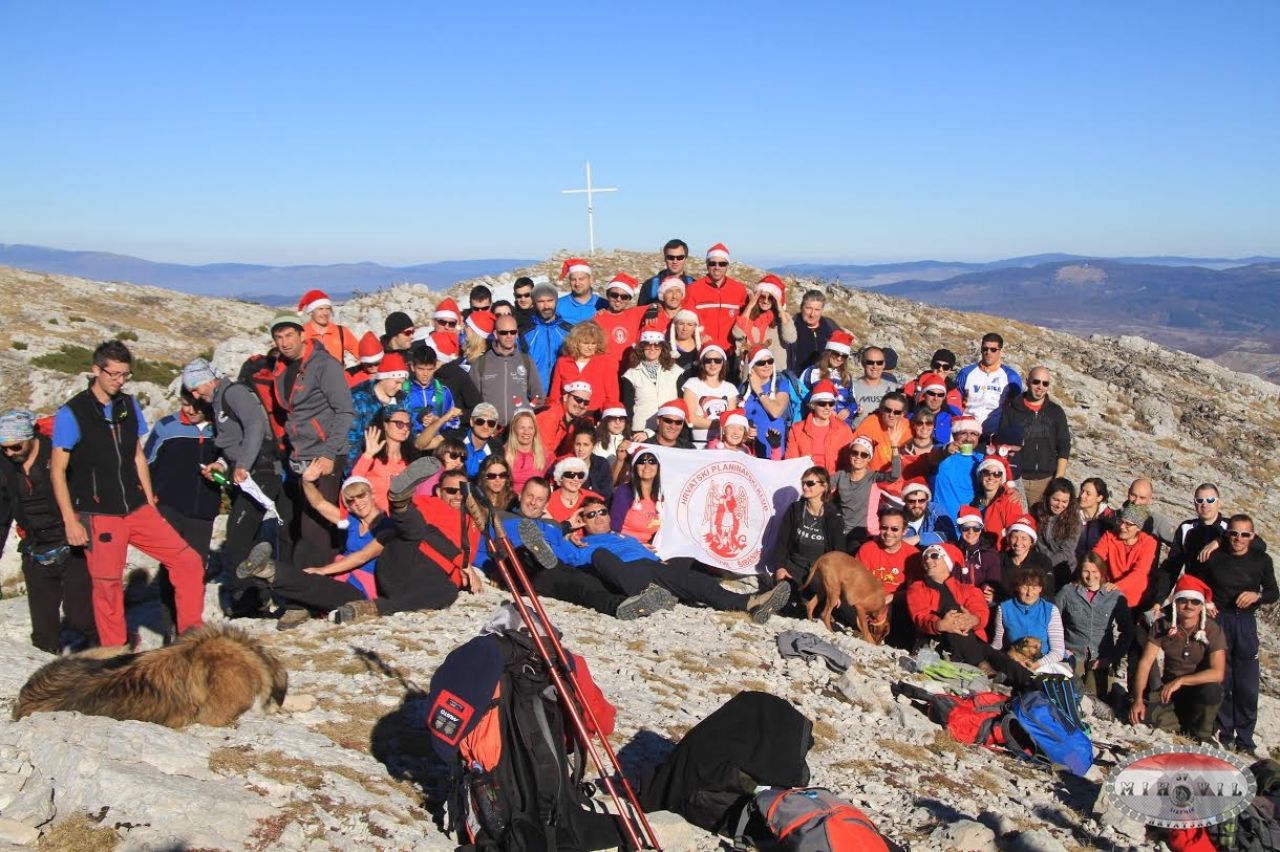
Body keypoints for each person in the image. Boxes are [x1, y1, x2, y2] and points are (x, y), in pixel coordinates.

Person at [48, 340, 206, 647]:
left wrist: (148, 501)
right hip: (99, 514)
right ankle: (116, 654)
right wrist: (70, 520)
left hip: (136, 508)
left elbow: (136, 455)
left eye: (125, 375)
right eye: (114, 374)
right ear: (96, 370)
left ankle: (192, 638)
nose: (119, 381)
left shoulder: (129, 404)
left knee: (188, 561)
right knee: (107, 587)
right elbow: (57, 470)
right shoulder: (72, 413)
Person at [551, 496, 790, 622]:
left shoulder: (625, 538)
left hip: (651, 568)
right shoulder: (582, 542)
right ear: (583, 520)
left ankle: (749, 603)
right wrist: (567, 527)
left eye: (602, 511)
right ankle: (645, 595)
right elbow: (559, 556)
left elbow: (650, 556)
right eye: (590, 515)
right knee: (600, 555)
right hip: (624, 574)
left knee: (690, 577)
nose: (598, 517)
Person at [469, 477, 676, 621]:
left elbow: (569, 554)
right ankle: (534, 552)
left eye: (539, 499)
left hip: (555, 567)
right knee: (526, 554)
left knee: (583, 585)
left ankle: (623, 605)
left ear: (545, 504)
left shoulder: (553, 527)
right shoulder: (501, 518)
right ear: (521, 495)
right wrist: (490, 569)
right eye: (530, 496)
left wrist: (570, 533)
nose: (533, 503)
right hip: (521, 568)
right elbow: (480, 548)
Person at [182, 357, 280, 616]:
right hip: (246, 475)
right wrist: (221, 465)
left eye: (195, 386)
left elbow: (256, 426)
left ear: (209, 379)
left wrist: (244, 465)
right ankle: (259, 594)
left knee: (237, 535)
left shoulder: (233, 393)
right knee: (245, 534)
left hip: (261, 472)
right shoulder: (218, 403)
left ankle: (249, 599)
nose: (194, 394)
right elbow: (232, 443)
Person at [238, 473, 390, 629]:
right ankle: (266, 573)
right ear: (348, 505)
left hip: (363, 588)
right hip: (342, 576)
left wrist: (324, 570)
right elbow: (319, 503)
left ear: (372, 494)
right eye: (351, 500)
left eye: (361, 495)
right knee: (310, 572)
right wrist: (307, 481)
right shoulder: (351, 521)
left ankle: (269, 571)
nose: (358, 502)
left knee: (317, 584)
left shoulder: (387, 526)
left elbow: (362, 557)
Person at [0, 409, 96, 653]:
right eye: (4, 448)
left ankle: (111, 660)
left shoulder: (58, 452)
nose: (10, 453)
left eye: (15, 447)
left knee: (81, 620)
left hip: (73, 545)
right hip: (35, 551)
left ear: (31, 437)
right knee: (43, 634)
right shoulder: (4, 465)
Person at [268, 313, 356, 570]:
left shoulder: (324, 365)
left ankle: (311, 588)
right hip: (299, 454)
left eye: (289, 335)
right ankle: (326, 579)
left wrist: (329, 454)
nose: (284, 343)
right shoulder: (282, 368)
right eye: (279, 337)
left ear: (302, 334)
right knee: (307, 522)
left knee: (314, 525)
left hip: (325, 452)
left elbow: (344, 410)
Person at [1192, 514, 1277, 753]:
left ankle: (1245, 739)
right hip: (1220, 621)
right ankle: (1225, 733)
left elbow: (1273, 592)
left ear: (1253, 536)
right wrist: (1206, 602)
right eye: (1233, 533)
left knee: (1248, 684)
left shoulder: (1262, 560)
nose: (1238, 539)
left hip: (1246, 622)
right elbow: (1196, 583)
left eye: (1244, 534)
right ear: (1226, 534)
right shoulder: (1214, 557)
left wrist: (1257, 596)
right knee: (1223, 678)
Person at [144, 389, 222, 633]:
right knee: (171, 567)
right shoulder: (166, 427)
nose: (190, 410)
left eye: (196, 406)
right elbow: (146, 464)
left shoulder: (219, 429)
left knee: (196, 568)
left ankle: (188, 629)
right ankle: (168, 626)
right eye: (186, 404)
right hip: (169, 508)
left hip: (204, 510)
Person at [1129, 575, 1226, 742]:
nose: (1189, 606)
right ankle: (1181, 724)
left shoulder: (1212, 629)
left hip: (1197, 690)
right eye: (1183, 601)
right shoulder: (1162, 625)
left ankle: (1203, 733)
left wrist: (1181, 681)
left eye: (1195, 602)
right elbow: (1145, 663)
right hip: (1169, 691)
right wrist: (1138, 699)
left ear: (1202, 605)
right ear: (1175, 603)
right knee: (1142, 717)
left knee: (1213, 690)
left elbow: (1218, 673)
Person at [1056, 551, 1133, 698]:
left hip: (1100, 657)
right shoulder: (1068, 591)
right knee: (1070, 695)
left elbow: (1127, 631)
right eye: (1086, 571)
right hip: (1072, 653)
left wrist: (1112, 658)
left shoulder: (1115, 596)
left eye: (1095, 571)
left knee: (1095, 699)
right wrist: (1061, 649)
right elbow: (1051, 620)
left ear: (1102, 571)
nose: (1090, 577)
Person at [992, 366, 1070, 507]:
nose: (1040, 387)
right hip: (1016, 478)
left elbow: (1064, 445)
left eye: (1045, 383)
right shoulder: (1011, 410)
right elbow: (1002, 445)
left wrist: (1058, 479)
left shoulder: (1056, 412)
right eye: (1036, 382)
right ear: (1027, 381)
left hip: (1045, 481)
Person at [771, 466, 844, 599]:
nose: (805, 487)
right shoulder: (796, 509)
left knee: (814, 594)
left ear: (824, 486)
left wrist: (835, 582)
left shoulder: (834, 516)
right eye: (803, 483)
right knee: (782, 585)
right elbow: (782, 542)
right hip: (795, 565)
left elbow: (839, 553)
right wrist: (780, 567)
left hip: (819, 571)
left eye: (810, 483)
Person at [907, 542, 991, 648]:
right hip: (937, 642)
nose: (928, 560)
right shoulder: (917, 588)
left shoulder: (969, 590)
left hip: (972, 640)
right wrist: (940, 624)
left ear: (947, 561)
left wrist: (973, 619)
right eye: (925, 557)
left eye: (934, 556)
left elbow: (980, 611)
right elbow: (920, 616)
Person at [470, 313, 544, 426]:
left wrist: (527, 416)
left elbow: (538, 396)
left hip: (518, 430)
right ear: (495, 334)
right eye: (504, 333)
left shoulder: (526, 361)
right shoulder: (481, 363)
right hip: (490, 429)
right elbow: (472, 401)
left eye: (513, 332)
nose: (509, 336)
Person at [830, 434, 900, 549]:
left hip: (865, 534)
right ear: (850, 454)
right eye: (855, 452)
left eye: (864, 454)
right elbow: (823, 489)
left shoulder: (873, 477)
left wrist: (894, 447)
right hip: (841, 531)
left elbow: (895, 475)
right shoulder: (840, 475)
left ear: (869, 458)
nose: (858, 457)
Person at [990, 565, 1067, 671]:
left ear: (1040, 589)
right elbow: (998, 644)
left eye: (1034, 588)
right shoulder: (1004, 609)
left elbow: (1058, 651)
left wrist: (1038, 664)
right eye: (1025, 587)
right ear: (1017, 587)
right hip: (1013, 662)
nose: (1029, 593)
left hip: (1043, 663)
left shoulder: (1051, 610)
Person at [346, 351, 409, 471]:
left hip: (394, 465)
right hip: (365, 465)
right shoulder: (359, 401)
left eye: (402, 383)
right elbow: (351, 442)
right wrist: (353, 475)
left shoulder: (402, 400)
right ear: (383, 378)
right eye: (397, 382)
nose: (400, 387)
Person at [350, 408, 418, 512]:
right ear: (385, 425)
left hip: (404, 520)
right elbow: (353, 483)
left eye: (408, 425)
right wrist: (368, 455)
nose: (405, 429)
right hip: (376, 520)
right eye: (399, 424)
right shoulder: (372, 456)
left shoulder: (410, 460)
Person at [956, 332, 1022, 438]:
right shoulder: (966, 373)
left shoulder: (1011, 376)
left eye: (993, 350)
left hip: (995, 434)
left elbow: (1016, 407)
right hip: (967, 432)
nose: (988, 352)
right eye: (985, 349)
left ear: (1001, 351)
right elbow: (956, 401)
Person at [742, 345, 801, 459]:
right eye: (761, 362)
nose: (767, 365)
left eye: (770, 361)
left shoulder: (780, 384)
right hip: (750, 451)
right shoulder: (744, 389)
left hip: (774, 450)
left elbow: (776, 411)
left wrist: (758, 390)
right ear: (752, 366)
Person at [685, 243, 748, 351]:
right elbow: (686, 318)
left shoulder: (739, 290)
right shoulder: (693, 289)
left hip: (731, 352)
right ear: (707, 264)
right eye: (712, 263)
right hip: (704, 351)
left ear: (728, 265)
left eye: (722, 264)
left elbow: (747, 319)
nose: (717, 267)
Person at [621, 328, 682, 439]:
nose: (652, 349)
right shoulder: (631, 374)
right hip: (640, 431)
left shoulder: (675, 371)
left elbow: (681, 402)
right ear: (642, 348)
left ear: (662, 348)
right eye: (648, 345)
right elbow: (628, 407)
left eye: (657, 346)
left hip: (670, 429)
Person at [548, 321, 619, 411]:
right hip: (566, 415)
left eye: (593, 343)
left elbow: (612, 396)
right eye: (586, 343)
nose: (590, 347)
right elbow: (555, 395)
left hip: (594, 416)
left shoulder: (606, 362)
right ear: (576, 343)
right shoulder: (563, 362)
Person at [784, 380, 853, 472]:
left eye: (831, 403)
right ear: (812, 405)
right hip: (806, 479)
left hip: (834, 481)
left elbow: (849, 463)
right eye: (822, 403)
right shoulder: (797, 429)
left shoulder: (843, 429)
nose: (827, 407)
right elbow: (791, 461)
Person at [732, 275, 796, 372]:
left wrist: (781, 310)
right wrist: (750, 306)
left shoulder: (782, 318)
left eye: (770, 298)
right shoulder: (749, 315)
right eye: (762, 297)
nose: (766, 301)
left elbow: (790, 338)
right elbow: (737, 334)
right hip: (752, 372)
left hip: (775, 371)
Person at [682, 345, 738, 449]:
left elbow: (731, 421)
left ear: (723, 363)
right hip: (698, 444)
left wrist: (704, 422)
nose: (713, 364)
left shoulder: (730, 388)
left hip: (724, 444)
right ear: (702, 362)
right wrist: (720, 424)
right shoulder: (692, 384)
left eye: (717, 360)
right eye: (708, 360)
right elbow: (690, 418)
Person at [929, 416, 984, 520]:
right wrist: (945, 450)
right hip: (941, 521)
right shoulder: (944, 454)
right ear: (954, 435)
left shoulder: (981, 460)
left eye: (973, 434)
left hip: (969, 525)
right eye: (963, 433)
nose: (968, 438)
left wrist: (1011, 489)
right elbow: (935, 456)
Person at [522, 282, 573, 393]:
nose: (546, 306)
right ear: (534, 304)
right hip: (534, 395)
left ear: (556, 301)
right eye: (541, 302)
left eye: (550, 301)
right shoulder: (524, 333)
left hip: (562, 394)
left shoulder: (570, 331)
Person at [798, 330, 858, 423]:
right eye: (836, 354)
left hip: (842, 426)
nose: (839, 358)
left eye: (844, 356)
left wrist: (848, 411)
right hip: (817, 424)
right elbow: (799, 398)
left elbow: (853, 402)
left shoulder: (847, 376)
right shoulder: (811, 372)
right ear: (828, 352)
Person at [1032, 477, 1081, 587]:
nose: (1059, 505)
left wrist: (1045, 565)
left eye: (1064, 502)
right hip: (1038, 560)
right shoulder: (1037, 510)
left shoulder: (1074, 520)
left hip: (1061, 566)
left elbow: (1066, 552)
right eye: (1056, 500)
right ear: (1048, 497)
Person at [593, 272, 644, 374]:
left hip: (630, 372)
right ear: (607, 295)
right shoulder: (598, 318)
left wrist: (653, 310)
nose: (618, 299)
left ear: (629, 299)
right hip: (606, 372)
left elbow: (657, 307)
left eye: (624, 297)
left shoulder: (634, 313)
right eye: (614, 295)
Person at [996, 514, 1056, 600]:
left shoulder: (1042, 562)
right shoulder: (999, 560)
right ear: (1008, 539)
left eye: (1024, 538)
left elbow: (1048, 593)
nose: (1018, 543)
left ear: (1031, 542)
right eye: (1014, 537)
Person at [608, 449, 663, 545]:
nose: (647, 466)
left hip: (653, 547)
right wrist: (638, 547)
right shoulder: (625, 492)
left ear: (658, 467)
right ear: (635, 466)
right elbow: (614, 531)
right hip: (625, 547)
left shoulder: (662, 495)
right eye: (641, 462)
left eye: (652, 461)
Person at [404, 345, 456, 441]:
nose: (425, 374)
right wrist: (417, 420)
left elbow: (455, 423)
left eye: (429, 369)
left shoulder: (443, 392)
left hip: (435, 445)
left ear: (435, 367)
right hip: (409, 444)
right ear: (412, 367)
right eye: (421, 369)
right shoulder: (403, 390)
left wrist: (437, 421)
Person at [535, 381, 595, 459]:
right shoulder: (550, 416)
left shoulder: (575, 422)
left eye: (586, 402)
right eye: (578, 399)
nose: (581, 405)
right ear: (566, 397)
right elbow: (544, 454)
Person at [852, 392, 910, 473]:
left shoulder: (908, 427)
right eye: (887, 410)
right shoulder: (870, 423)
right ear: (881, 410)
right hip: (872, 476)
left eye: (897, 412)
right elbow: (853, 452)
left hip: (899, 476)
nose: (891, 415)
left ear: (903, 414)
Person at [972, 455, 1023, 544]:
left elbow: (1015, 533)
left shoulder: (1010, 500)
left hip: (999, 553)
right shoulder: (975, 500)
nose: (991, 477)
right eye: (986, 473)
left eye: (997, 474)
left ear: (1001, 479)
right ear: (980, 476)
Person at [298, 289, 358, 365]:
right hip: (310, 376)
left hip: (337, 375)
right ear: (311, 312)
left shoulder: (341, 331)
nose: (325, 313)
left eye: (328, 309)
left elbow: (361, 354)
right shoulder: (302, 333)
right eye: (320, 309)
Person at [787, 290, 838, 372]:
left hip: (825, 378)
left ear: (822, 310)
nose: (812, 314)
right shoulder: (791, 327)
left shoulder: (830, 326)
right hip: (797, 380)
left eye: (817, 309)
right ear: (801, 307)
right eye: (808, 308)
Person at [954, 505, 1000, 593]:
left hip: (981, 600)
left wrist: (988, 587)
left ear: (981, 529)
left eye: (976, 528)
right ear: (959, 529)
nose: (971, 532)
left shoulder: (990, 554)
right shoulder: (953, 551)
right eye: (965, 528)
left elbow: (994, 581)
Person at [850, 347, 901, 426]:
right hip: (858, 434)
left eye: (879, 363)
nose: (875, 366)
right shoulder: (852, 387)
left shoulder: (894, 389)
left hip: (883, 435)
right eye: (870, 362)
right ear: (863, 363)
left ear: (884, 364)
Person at [546, 456, 600, 528]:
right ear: (560, 477)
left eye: (580, 475)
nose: (576, 479)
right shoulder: (548, 501)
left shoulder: (593, 497)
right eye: (570, 474)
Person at [638, 239, 695, 305]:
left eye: (680, 257)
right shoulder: (650, 285)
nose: (675, 261)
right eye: (670, 257)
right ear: (665, 258)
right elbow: (639, 312)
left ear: (686, 259)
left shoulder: (694, 285)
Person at [900, 480, 956, 548]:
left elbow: (950, 535)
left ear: (927, 500)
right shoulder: (898, 517)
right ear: (905, 501)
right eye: (911, 501)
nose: (917, 505)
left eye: (921, 501)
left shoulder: (935, 510)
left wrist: (919, 538)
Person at [504, 408, 547, 494]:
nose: (526, 432)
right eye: (522, 427)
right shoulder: (504, 453)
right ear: (514, 429)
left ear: (535, 430)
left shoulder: (545, 455)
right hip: (510, 501)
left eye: (530, 428)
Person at [911, 372, 961, 444]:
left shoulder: (953, 413)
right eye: (931, 394)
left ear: (944, 397)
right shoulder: (912, 416)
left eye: (940, 395)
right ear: (924, 395)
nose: (935, 398)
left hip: (946, 453)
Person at [556, 257, 607, 325]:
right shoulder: (558, 305)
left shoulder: (604, 305)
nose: (577, 283)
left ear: (591, 279)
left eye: (581, 279)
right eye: (573, 279)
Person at [1075, 477, 1115, 562]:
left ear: (1099, 498)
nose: (1082, 496)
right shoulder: (1072, 512)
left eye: (1088, 494)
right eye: (1082, 491)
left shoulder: (1109, 518)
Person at [568, 425, 614, 500]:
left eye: (586, 445)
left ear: (594, 445)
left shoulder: (602, 464)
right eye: (578, 444)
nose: (581, 449)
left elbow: (606, 494)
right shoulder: (566, 465)